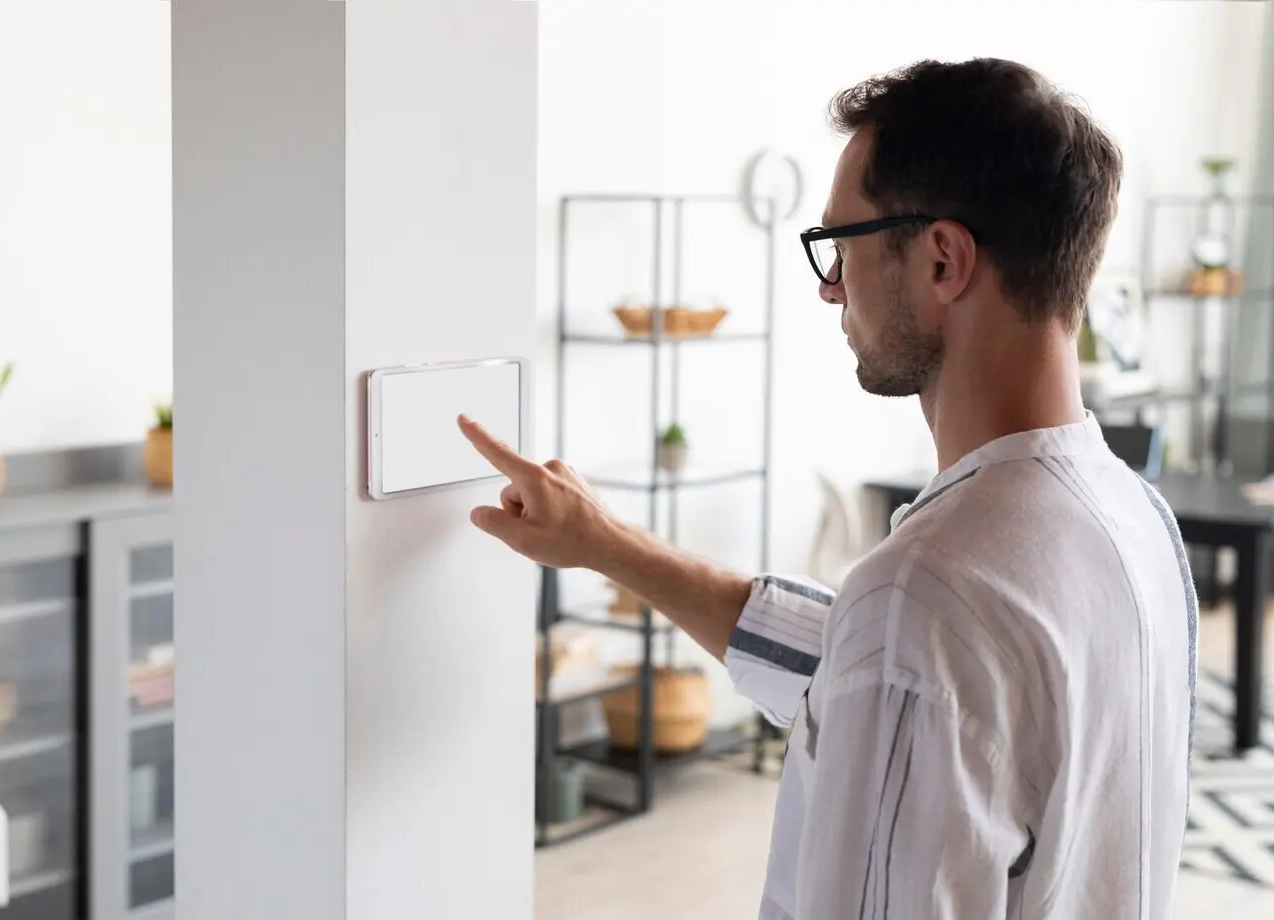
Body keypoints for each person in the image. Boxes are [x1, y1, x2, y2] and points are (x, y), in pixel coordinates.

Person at [460, 57, 1196, 920]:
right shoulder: (1136, 521)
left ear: (943, 259)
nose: (829, 287)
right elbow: (866, 669)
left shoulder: (926, 597)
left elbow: (900, 658)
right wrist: (604, 543)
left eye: (841, 246)